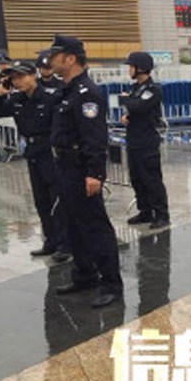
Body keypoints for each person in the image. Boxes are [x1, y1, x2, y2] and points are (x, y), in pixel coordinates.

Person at [47, 34, 124, 308]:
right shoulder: (66, 90)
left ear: (70, 59)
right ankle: (85, 275)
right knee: (73, 224)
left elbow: (95, 136)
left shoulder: (86, 92)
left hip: (81, 168)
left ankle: (112, 283)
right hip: (65, 165)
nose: (50, 60)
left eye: (55, 55)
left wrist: (95, 173)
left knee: (94, 226)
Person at [0, 60, 71, 262]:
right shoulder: (17, 99)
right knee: (41, 200)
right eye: (14, 78)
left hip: (50, 151)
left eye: (21, 76)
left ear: (33, 75)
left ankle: (65, 244)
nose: (17, 81)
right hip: (33, 153)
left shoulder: (51, 96)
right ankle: (51, 241)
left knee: (56, 200)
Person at [120, 51, 170, 230]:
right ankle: (145, 211)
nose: (129, 70)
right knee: (137, 179)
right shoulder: (135, 88)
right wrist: (127, 116)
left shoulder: (153, 89)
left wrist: (127, 100)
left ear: (140, 68)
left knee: (151, 179)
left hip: (147, 141)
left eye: (131, 67)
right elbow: (134, 109)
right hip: (133, 140)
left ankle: (161, 214)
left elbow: (139, 106)